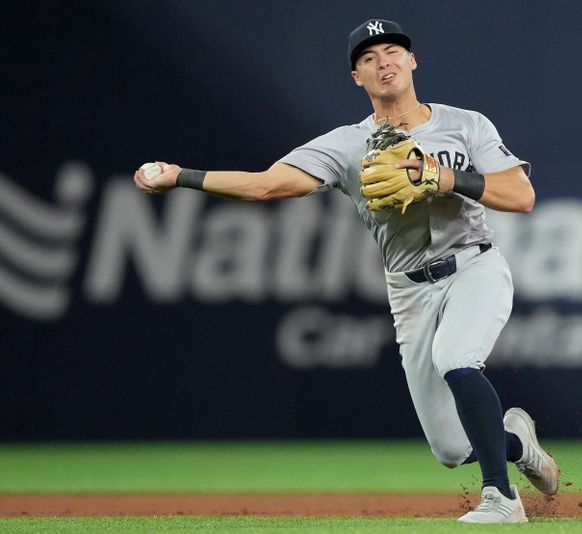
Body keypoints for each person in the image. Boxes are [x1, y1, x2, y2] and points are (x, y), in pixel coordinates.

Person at [133, 18, 559, 523]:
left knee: (456, 357)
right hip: (410, 290)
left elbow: (521, 195)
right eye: (369, 58)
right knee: (449, 448)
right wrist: (181, 176)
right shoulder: (346, 145)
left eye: (393, 51)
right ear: (356, 76)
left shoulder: (467, 125)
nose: (384, 62)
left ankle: (501, 498)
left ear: (413, 60)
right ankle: (520, 447)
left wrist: (444, 178)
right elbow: (268, 185)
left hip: (474, 266)